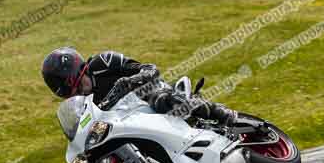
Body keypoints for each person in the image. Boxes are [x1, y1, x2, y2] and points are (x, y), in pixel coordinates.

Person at [41, 47, 237, 124]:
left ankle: (222, 113)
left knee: (161, 99)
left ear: (81, 71)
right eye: (75, 93)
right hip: (130, 121)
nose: (82, 92)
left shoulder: (104, 62)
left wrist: (131, 81)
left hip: (147, 93)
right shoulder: (83, 105)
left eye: (80, 85)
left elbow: (150, 69)